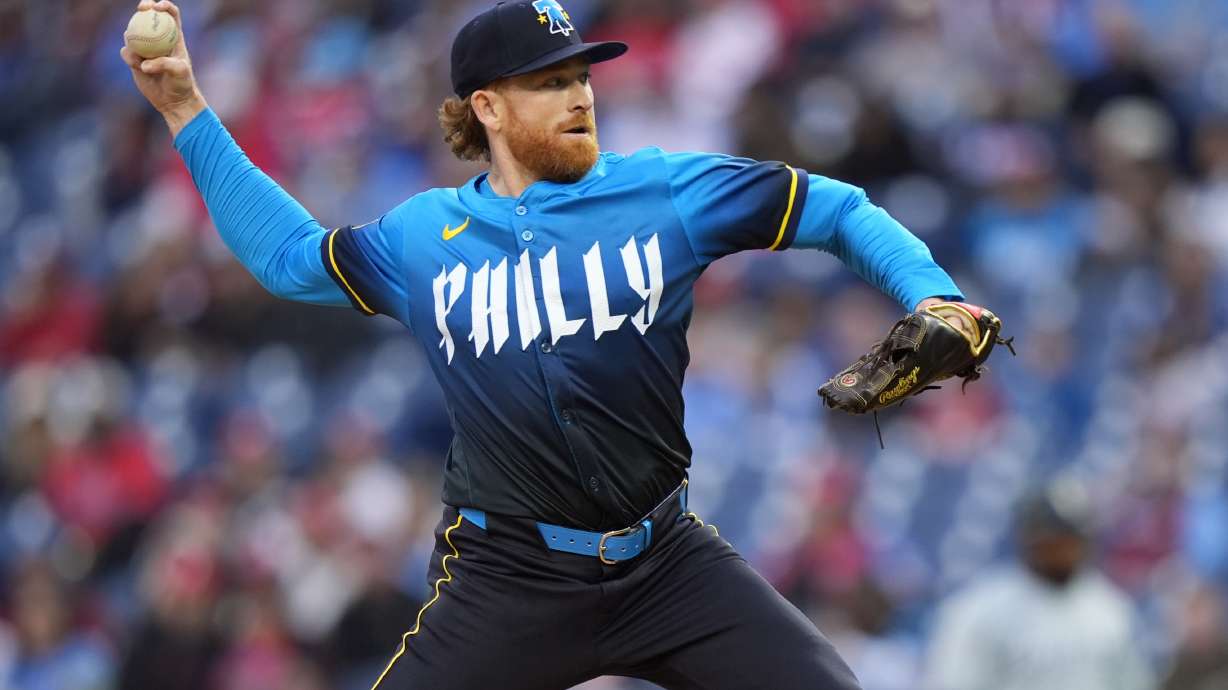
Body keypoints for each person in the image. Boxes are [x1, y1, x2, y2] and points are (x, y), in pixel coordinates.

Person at [121, 1, 971, 687]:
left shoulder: (662, 192)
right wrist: (186, 111)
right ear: (486, 106)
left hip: (665, 560)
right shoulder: (424, 237)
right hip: (508, 580)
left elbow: (834, 207)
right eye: (549, 82)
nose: (579, 96)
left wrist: (933, 293)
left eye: (581, 76)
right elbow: (287, 257)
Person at [924, 479, 1154, 690]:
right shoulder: (979, 610)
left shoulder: (1111, 610)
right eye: (1054, 537)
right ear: (1029, 537)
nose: (1064, 549)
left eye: (1071, 537)